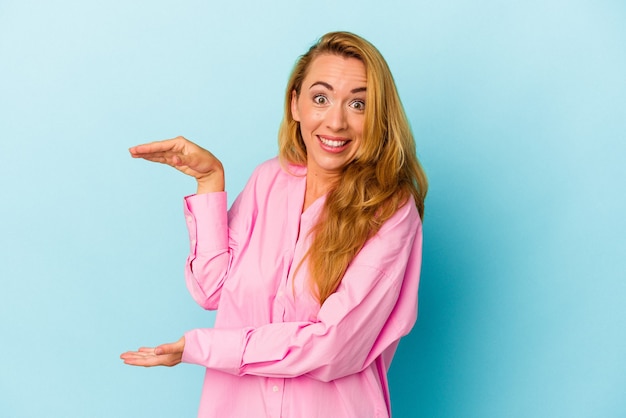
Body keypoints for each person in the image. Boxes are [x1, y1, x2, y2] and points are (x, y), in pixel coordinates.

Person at [120, 31, 428, 418]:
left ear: (378, 116)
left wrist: (205, 347)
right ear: (295, 103)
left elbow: (334, 345)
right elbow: (211, 289)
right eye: (321, 98)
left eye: (358, 104)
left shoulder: (390, 212)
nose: (336, 120)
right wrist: (210, 181)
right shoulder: (268, 181)